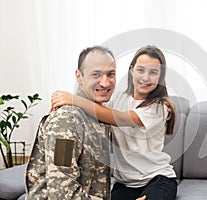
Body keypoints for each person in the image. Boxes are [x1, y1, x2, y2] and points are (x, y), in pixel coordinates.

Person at [51, 45, 178, 200]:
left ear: (160, 76)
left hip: (157, 178)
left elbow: (118, 118)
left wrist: (73, 99)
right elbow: (97, 109)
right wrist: (64, 102)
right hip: (125, 183)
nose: (145, 77)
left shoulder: (159, 108)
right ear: (131, 71)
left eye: (153, 72)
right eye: (141, 70)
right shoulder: (119, 98)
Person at [25, 46, 116, 200]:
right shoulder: (67, 120)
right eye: (96, 74)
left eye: (110, 74)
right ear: (79, 77)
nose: (105, 83)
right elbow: (62, 195)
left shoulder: (101, 117)